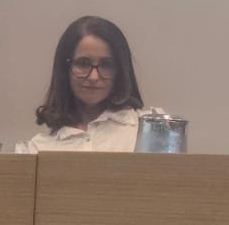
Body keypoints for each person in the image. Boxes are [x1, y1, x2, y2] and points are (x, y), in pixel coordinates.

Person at [24, 16, 150, 152]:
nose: (93, 77)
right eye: (83, 63)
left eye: (106, 65)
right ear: (64, 69)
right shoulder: (38, 149)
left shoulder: (149, 132)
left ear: (120, 71)